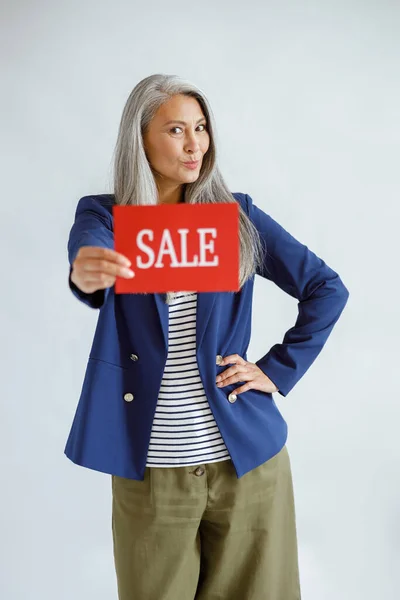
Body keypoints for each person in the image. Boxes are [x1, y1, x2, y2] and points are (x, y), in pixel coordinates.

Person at [66, 73, 349, 600]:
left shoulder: (235, 217)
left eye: (201, 128)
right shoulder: (105, 215)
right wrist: (90, 270)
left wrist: (275, 370)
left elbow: (326, 289)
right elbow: (89, 256)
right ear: (141, 139)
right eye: (176, 130)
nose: (195, 143)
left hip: (248, 464)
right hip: (151, 472)